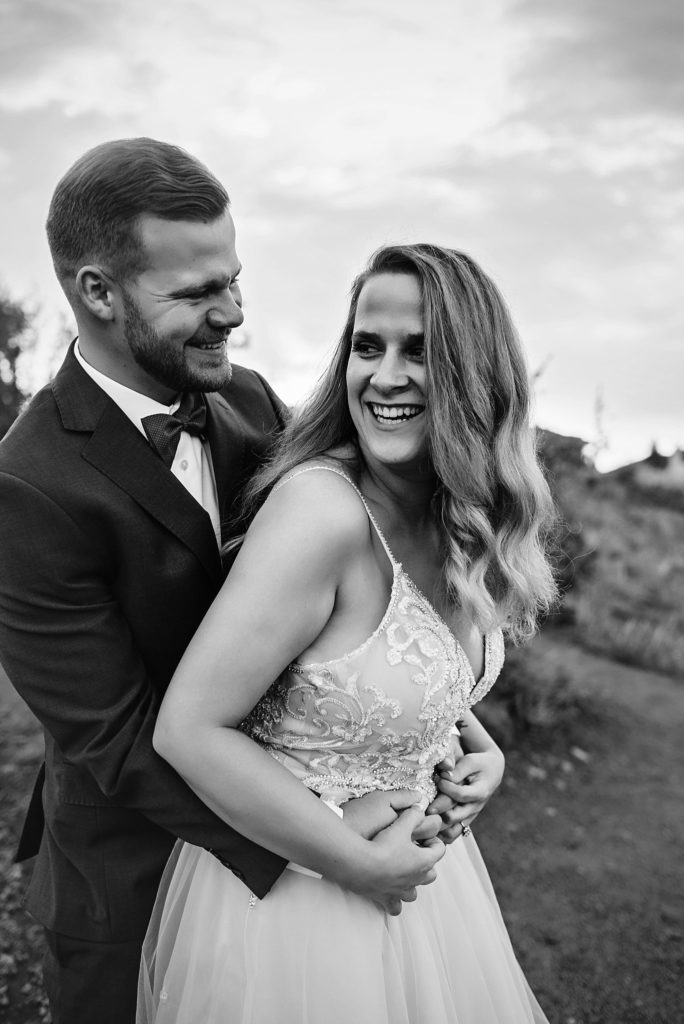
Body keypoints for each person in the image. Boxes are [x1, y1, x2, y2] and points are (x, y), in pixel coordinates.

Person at [0, 142, 499, 1024]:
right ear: (98, 292)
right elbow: (120, 737)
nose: (232, 313)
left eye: (234, 281)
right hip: (134, 865)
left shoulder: (251, 403)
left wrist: (457, 734)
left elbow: (357, 611)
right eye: (196, 294)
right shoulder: (27, 488)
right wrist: (322, 851)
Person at [137, 243, 557, 1023]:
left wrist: (476, 746)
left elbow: (381, 674)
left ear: (477, 374)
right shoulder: (322, 511)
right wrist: (358, 866)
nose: (385, 376)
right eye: (368, 346)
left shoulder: (457, 519)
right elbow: (189, 729)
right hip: (303, 907)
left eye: (421, 353)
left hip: (426, 887)